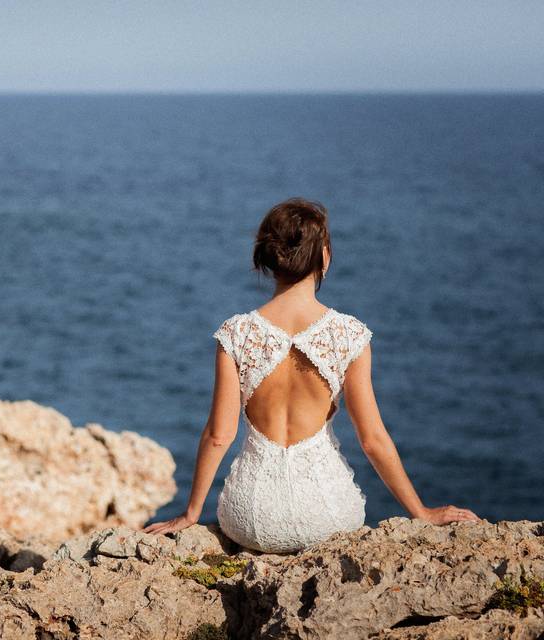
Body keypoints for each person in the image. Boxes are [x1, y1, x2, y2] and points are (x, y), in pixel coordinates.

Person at [143, 197, 480, 553]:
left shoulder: (236, 334)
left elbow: (218, 436)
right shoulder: (349, 335)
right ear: (324, 257)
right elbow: (372, 440)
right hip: (326, 516)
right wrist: (420, 512)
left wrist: (191, 513)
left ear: (268, 260)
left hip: (251, 518)